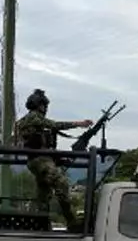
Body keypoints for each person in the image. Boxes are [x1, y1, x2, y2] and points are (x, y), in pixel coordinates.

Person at [14, 88, 92, 231]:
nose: (45, 109)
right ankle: (72, 222)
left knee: (43, 194)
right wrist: (79, 124)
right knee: (61, 183)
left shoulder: (26, 121)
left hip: (39, 160)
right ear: (40, 106)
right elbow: (56, 125)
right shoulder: (33, 118)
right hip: (40, 160)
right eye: (44, 106)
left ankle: (41, 222)